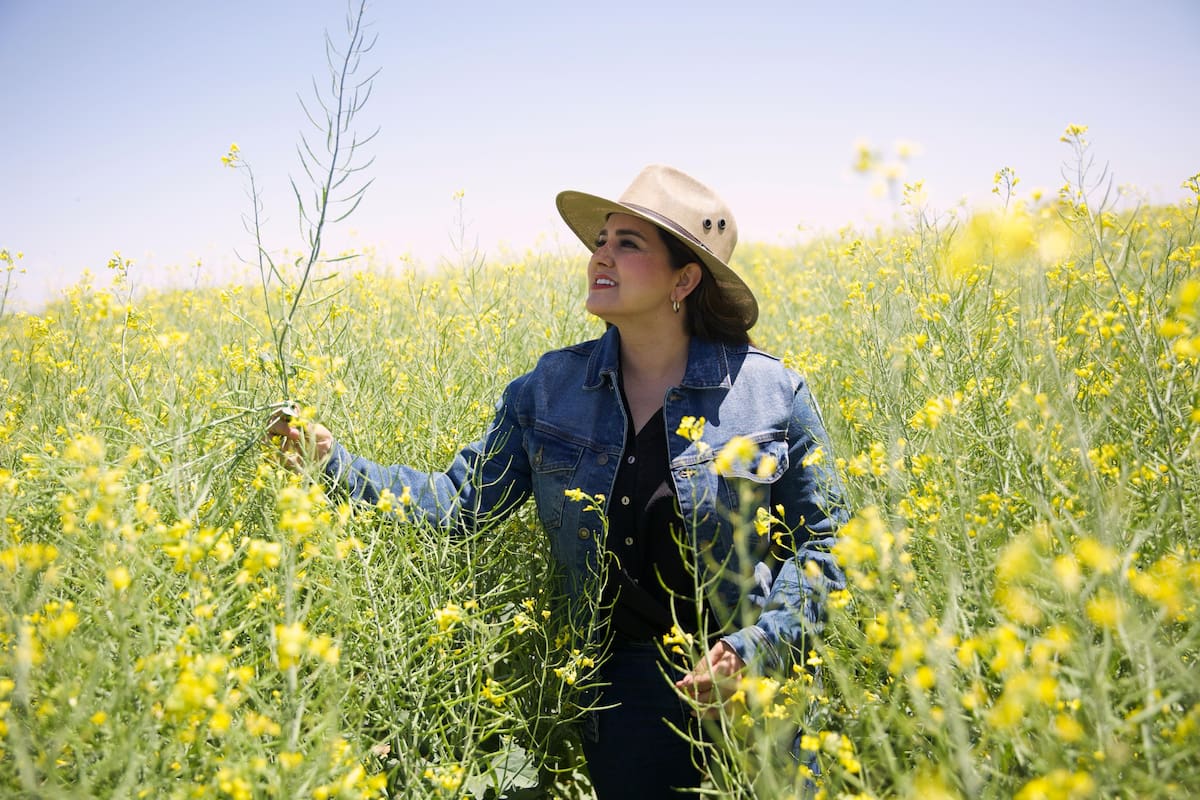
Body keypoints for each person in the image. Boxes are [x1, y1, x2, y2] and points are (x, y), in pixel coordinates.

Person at [270, 165, 848, 798]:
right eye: (602, 240)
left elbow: (827, 546)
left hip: (759, 680)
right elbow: (464, 505)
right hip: (625, 685)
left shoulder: (772, 394)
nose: (601, 254)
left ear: (684, 279)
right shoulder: (550, 390)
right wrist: (333, 464)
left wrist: (756, 647)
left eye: (629, 243)